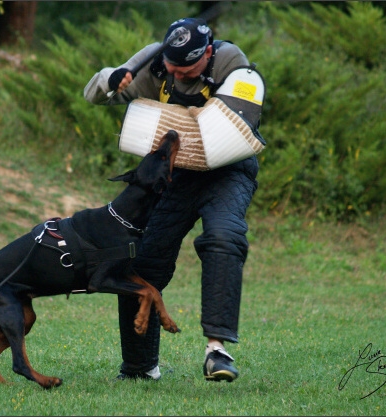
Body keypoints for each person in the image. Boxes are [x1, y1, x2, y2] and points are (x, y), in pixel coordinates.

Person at [83, 17, 264, 382]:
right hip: (178, 175)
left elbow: (220, 136)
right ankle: (139, 367)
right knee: (142, 263)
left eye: (187, 67)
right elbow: (94, 95)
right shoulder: (156, 65)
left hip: (229, 169)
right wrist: (110, 79)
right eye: (172, 66)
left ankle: (217, 352)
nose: (178, 74)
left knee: (223, 237)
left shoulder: (233, 63)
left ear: (208, 54)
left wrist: (162, 119)